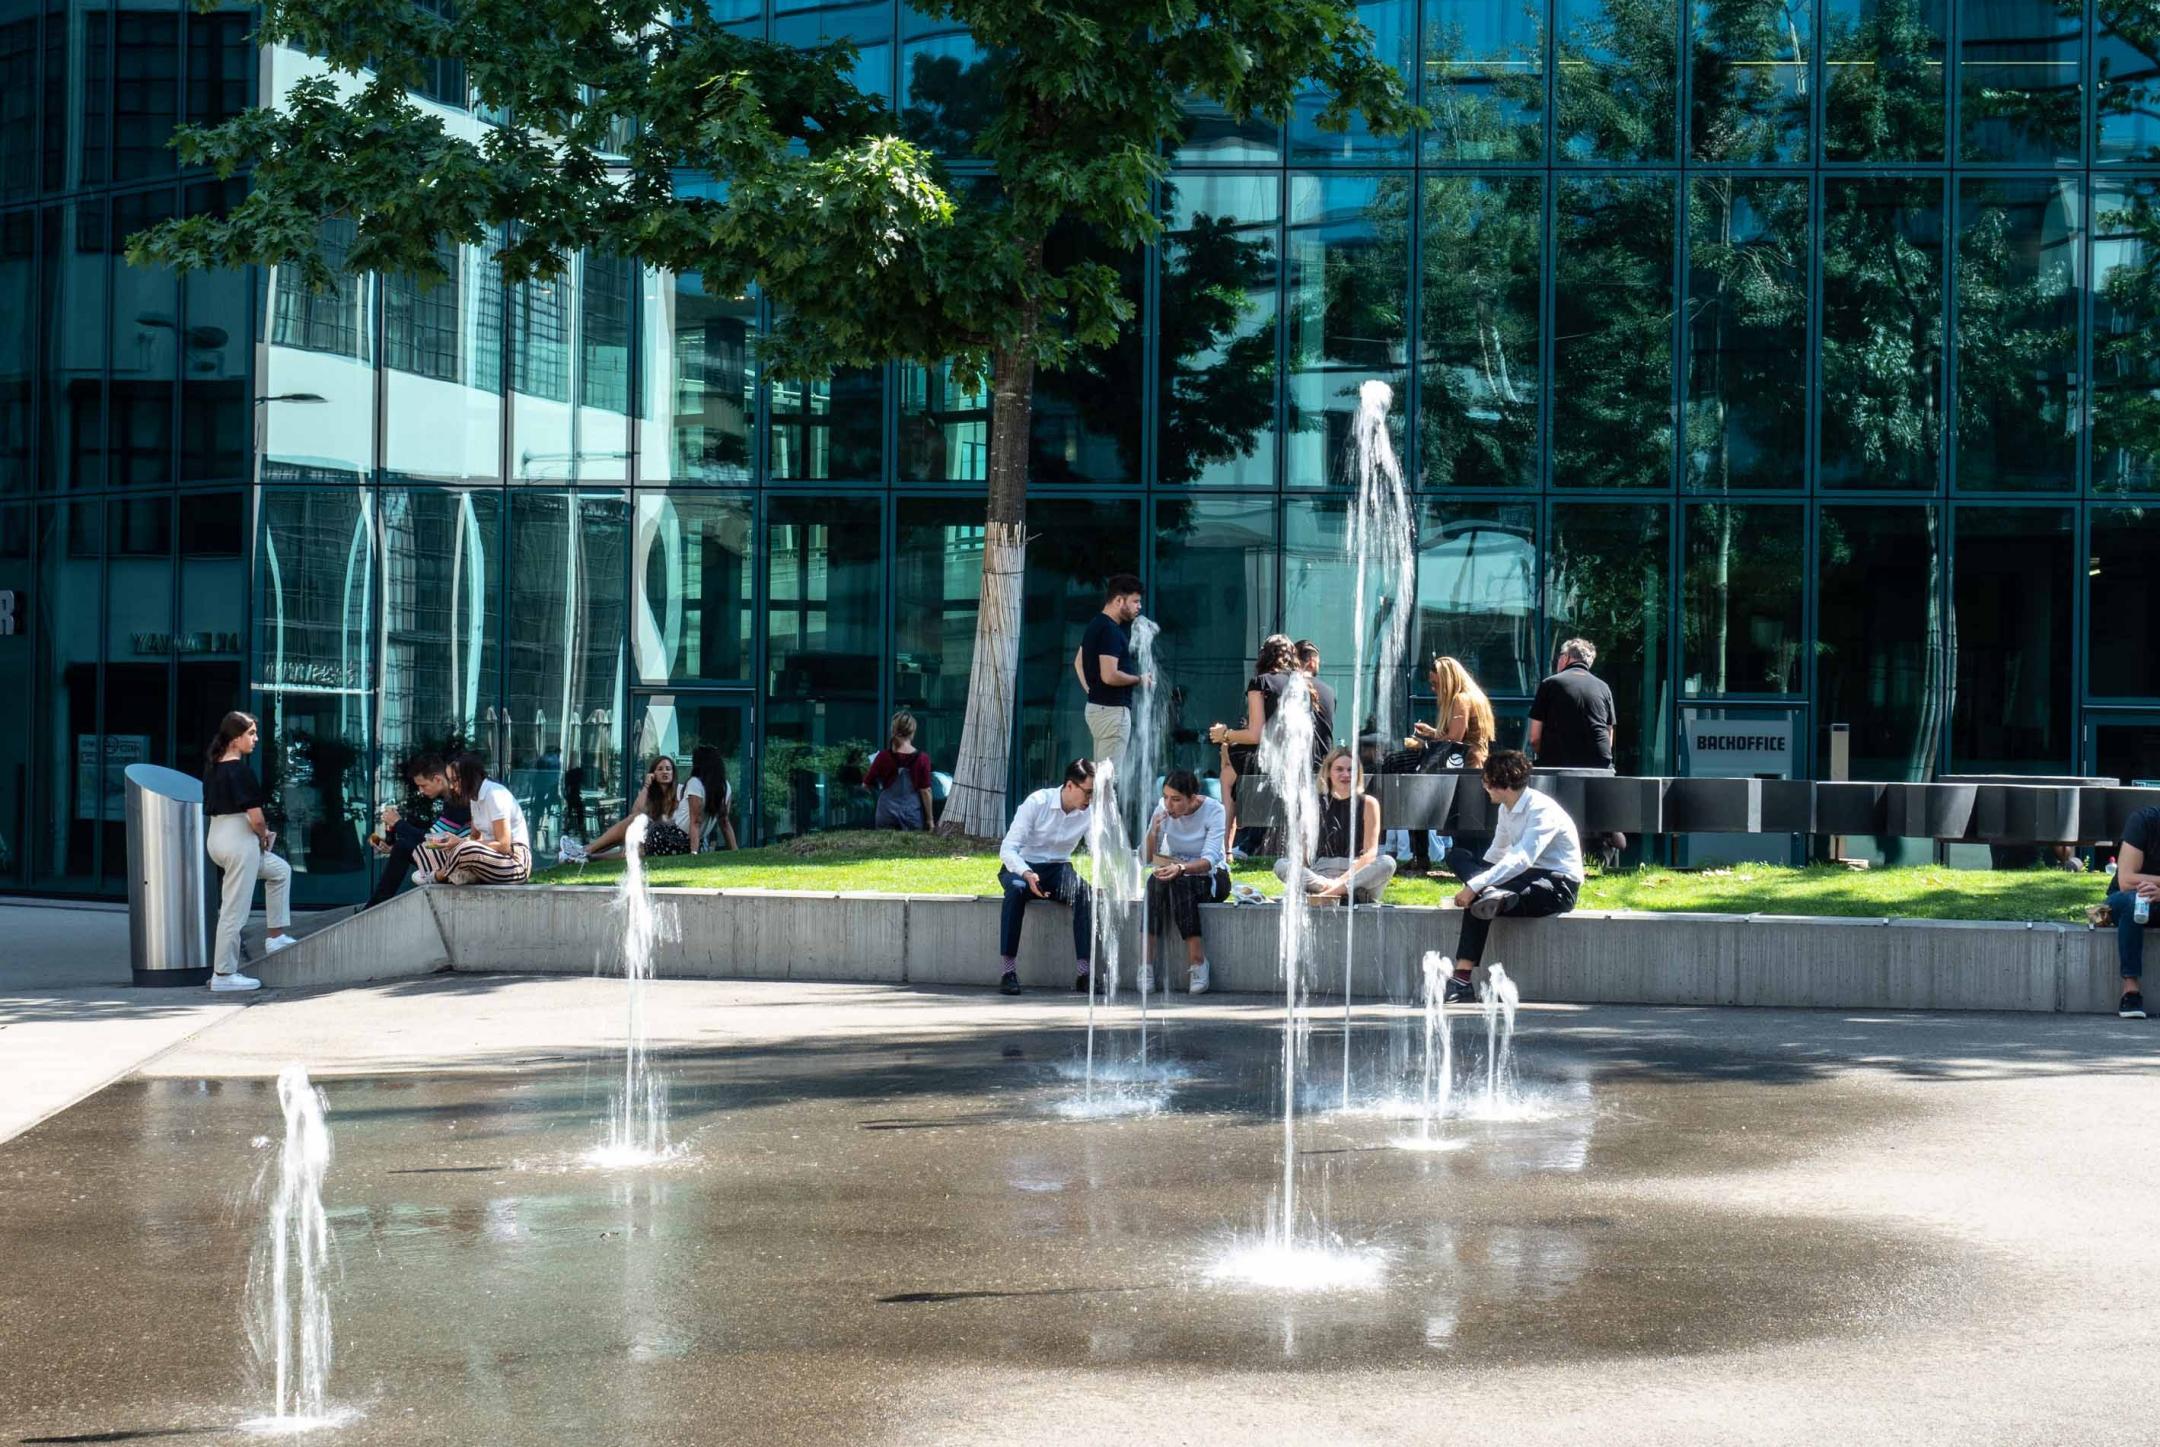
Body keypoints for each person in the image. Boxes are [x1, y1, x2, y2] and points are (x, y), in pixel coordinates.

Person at [1442, 749, 1584, 1003]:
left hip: (1557, 883)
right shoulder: (1507, 809)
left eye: (1486, 780)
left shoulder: (1541, 809)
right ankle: (1493, 896)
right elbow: (1497, 853)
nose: (1484, 787)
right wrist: (1479, 881)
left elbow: (1522, 858)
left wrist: (1476, 884)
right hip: (1523, 876)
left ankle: (1461, 977)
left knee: (1483, 894)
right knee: (1457, 856)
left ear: (1498, 783)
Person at [202, 711, 295, 991]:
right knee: (234, 911)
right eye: (251, 733)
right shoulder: (239, 770)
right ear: (235, 739)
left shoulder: (214, 767)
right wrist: (263, 835)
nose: (255, 739)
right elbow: (255, 817)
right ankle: (223, 974)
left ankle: (275, 935)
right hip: (239, 840)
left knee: (279, 871)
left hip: (218, 837)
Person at [995, 758, 1097, 996]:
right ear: (1070, 786)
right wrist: (1027, 873)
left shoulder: (1089, 812)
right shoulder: (1037, 802)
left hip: (1059, 869)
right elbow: (1008, 849)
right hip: (1022, 866)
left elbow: (1098, 850)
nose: (1090, 799)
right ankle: (1007, 971)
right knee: (1017, 890)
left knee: (1085, 893)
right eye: (1088, 792)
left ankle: (1084, 973)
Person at [1529, 637, 1623, 867]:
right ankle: (1608, 844)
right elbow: (1608, 735)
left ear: (1566, 659)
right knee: (1597, 812)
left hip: (1557, 763)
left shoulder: (1550, 684)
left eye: (1560, 657)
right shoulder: (1603, 687)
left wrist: (1545, 758)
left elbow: (1534, 737)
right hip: (1598, 766)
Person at [1207, 633, 1298, 857]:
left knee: (1227, 769)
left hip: (1268, 761)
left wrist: (1225, 735)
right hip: (1294, 759)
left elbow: (1256, 734)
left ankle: (1225, 845)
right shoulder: (1300, 684)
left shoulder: (1260, 682)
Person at [1143, 769, 1229, 995]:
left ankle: (1198, 962)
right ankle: (1146, 966)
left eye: (1176, 799)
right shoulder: (1163, 810)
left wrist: (1181, 868)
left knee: (1180, 882)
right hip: (1176, 870)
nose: (1168, 805)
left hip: (1212, 877)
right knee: (1154, 882)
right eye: (1165, 797)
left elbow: (1209, 860)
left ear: (1192, 798)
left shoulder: (1214, 810)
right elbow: (1146, 857)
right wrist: (1154, 832)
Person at [1273, 746, 1396, 904]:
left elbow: (1370, 854)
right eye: (1339, 769)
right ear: (1329, 772)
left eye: (1351, 769)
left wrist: (1340, 882)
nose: (1346, 774)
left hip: (1357, 875)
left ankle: (1327, 895)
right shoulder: (1313, 803)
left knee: (1387, 863)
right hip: (1321, 875)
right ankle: (1334, 893)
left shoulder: (1369, 804)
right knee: (1282, 865)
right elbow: (1303, 853)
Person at [365, 752, 472, 910]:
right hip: (456, 856)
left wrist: (398, 823)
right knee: (401, 848)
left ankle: (373, 909)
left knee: (402, 848)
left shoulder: (458, 801)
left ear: (437, 779)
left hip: (462, 860)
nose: (421, 791)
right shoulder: (453, 799)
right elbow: (432, 838)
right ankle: (374, 906)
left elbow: (432, 840)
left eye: (423, 785)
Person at [413, 752, 534, 885]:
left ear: (468, 778)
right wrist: (454, 841)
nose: (452, 786)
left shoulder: (494, 795)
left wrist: (461, 844)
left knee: (464, 849)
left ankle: (439, 876)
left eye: (454, 780)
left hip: (514, 862)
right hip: (489, 858)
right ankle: (458, 874)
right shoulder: (474, 799)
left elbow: (504, 846)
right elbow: (475, 838)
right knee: (425, 848)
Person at [1074, 574, 1150, 774]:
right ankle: (1101, 807)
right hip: (1113, 712)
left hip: (1098, 710)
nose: (1139, 607)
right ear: (1118, 600)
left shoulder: (1095, 625)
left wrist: (1092, 691)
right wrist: (1139, 680)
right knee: (1107, 779)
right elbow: (1109, 675)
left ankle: (1100, 806)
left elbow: (1078, 662)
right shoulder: (1110, 630)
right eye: (1135, 601)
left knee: (1101, 776)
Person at [561, 756, 698, 861]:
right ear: (653, 773)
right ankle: (586, 855)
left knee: (636, 844)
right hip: (655, 838)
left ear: (673, 773)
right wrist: (646, 786)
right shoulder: (651, 794)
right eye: (660, 769)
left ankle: (586, 852)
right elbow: (635, 812)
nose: (665, 772)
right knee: (634, 832)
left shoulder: (681, 791)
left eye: (668, 769)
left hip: (673, 840)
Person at [2104, 804, 2160, 1018]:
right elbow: (2126, 880)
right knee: (2136, 900)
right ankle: (2131, 991)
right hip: (2127, 898)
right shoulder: (2144, 821)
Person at [864, 711, 935, 832]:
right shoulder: (922, 759)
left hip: (885, 813)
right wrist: (930, 820)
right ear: (912, 731)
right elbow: (925, 791)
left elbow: (866, 785)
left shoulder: (883, 756)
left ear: (893, 730)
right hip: (911, 814)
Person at [690, 745, 739, 852]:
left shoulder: (697, 783)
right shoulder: (724, 786)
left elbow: (723, 820)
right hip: (682, 836)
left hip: (690, 837)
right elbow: (696, 821)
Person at [1293, 639, 1337, 755]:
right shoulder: (1329, 692)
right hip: (1322, 761)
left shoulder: (1288, 688)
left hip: (1296, 760)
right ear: (1312, 662)